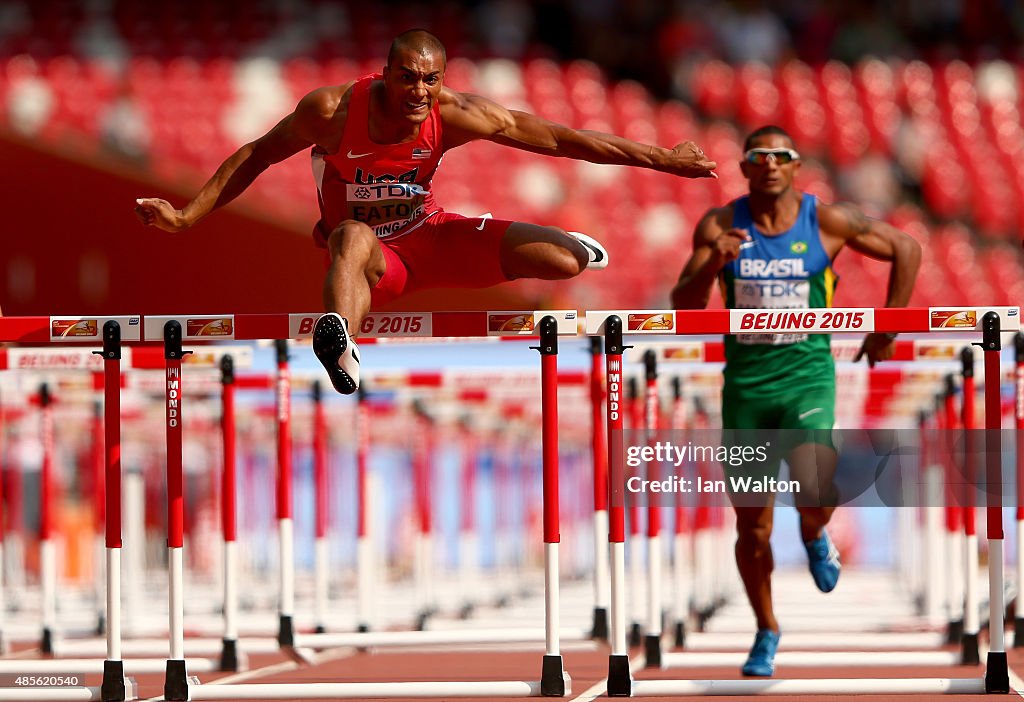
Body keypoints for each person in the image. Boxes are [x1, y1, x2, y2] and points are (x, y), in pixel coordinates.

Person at [135, 29, 717, 394]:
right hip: (373, 260)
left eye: (430, 81)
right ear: (384, 75)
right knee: (351, 236)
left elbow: (558, 138)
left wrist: (662, 157)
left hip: (430, 236)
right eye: (408, 78)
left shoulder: (455, 113)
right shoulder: (334, 111)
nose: (419, 92)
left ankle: (564, 242)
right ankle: (340, 342)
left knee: (564, 263)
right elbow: (256, 154)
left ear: (442, 82)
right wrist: (188, 217)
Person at [670, 125, 921, 677]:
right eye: (759, 157)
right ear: (744, 168)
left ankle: (813, 531)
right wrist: (714, 261)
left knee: (813, 489)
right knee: (752, 528)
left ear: (796, 164)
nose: (771, 164)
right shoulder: (719, 224)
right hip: (746, 390)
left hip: (808, 379)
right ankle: (766, 629)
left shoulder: (825, 219)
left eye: (781, 156)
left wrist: (889, 327)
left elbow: (906, 247)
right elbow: (683, 307)